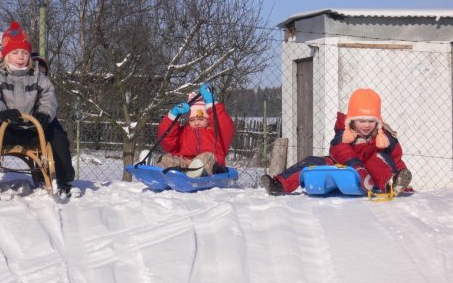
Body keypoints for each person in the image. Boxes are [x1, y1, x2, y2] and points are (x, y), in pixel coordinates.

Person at [0, 22, 76, 197]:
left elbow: (49, 97)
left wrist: (45, 114)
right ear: (7, 56)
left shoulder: (37, 75)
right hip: (7, 126)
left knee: (58, 136)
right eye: (15, 52)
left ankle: (64, 180)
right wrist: (2, 112)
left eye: (24, 52)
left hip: (34, 127)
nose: (20, 57)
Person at [261, 88, 412, 195]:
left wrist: (401, 176)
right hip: (344, 167)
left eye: (371, 121)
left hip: (373, 176)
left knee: (379, 159)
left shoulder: (384, 137)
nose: (366, 125)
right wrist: (356, 166)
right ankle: (279, 184)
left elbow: (395, 158)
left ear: (377, 121)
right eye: (361, 120)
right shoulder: (345, 133)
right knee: (312, 162)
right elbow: (339, 150)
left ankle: (393, 182)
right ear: (351, 120)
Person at [153, 83, 235, 177]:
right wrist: (172, 115)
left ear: (208, 119)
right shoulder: (183, 132)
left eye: (200, 119)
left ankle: (197, 172)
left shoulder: (215, 133)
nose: (196, 123)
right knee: (168, 158)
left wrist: (211, 105)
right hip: (184, 164)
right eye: (192, 120)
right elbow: (166, 139)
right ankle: (159, 171)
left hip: (210, 166)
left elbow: (225, 126)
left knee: (206, 157)